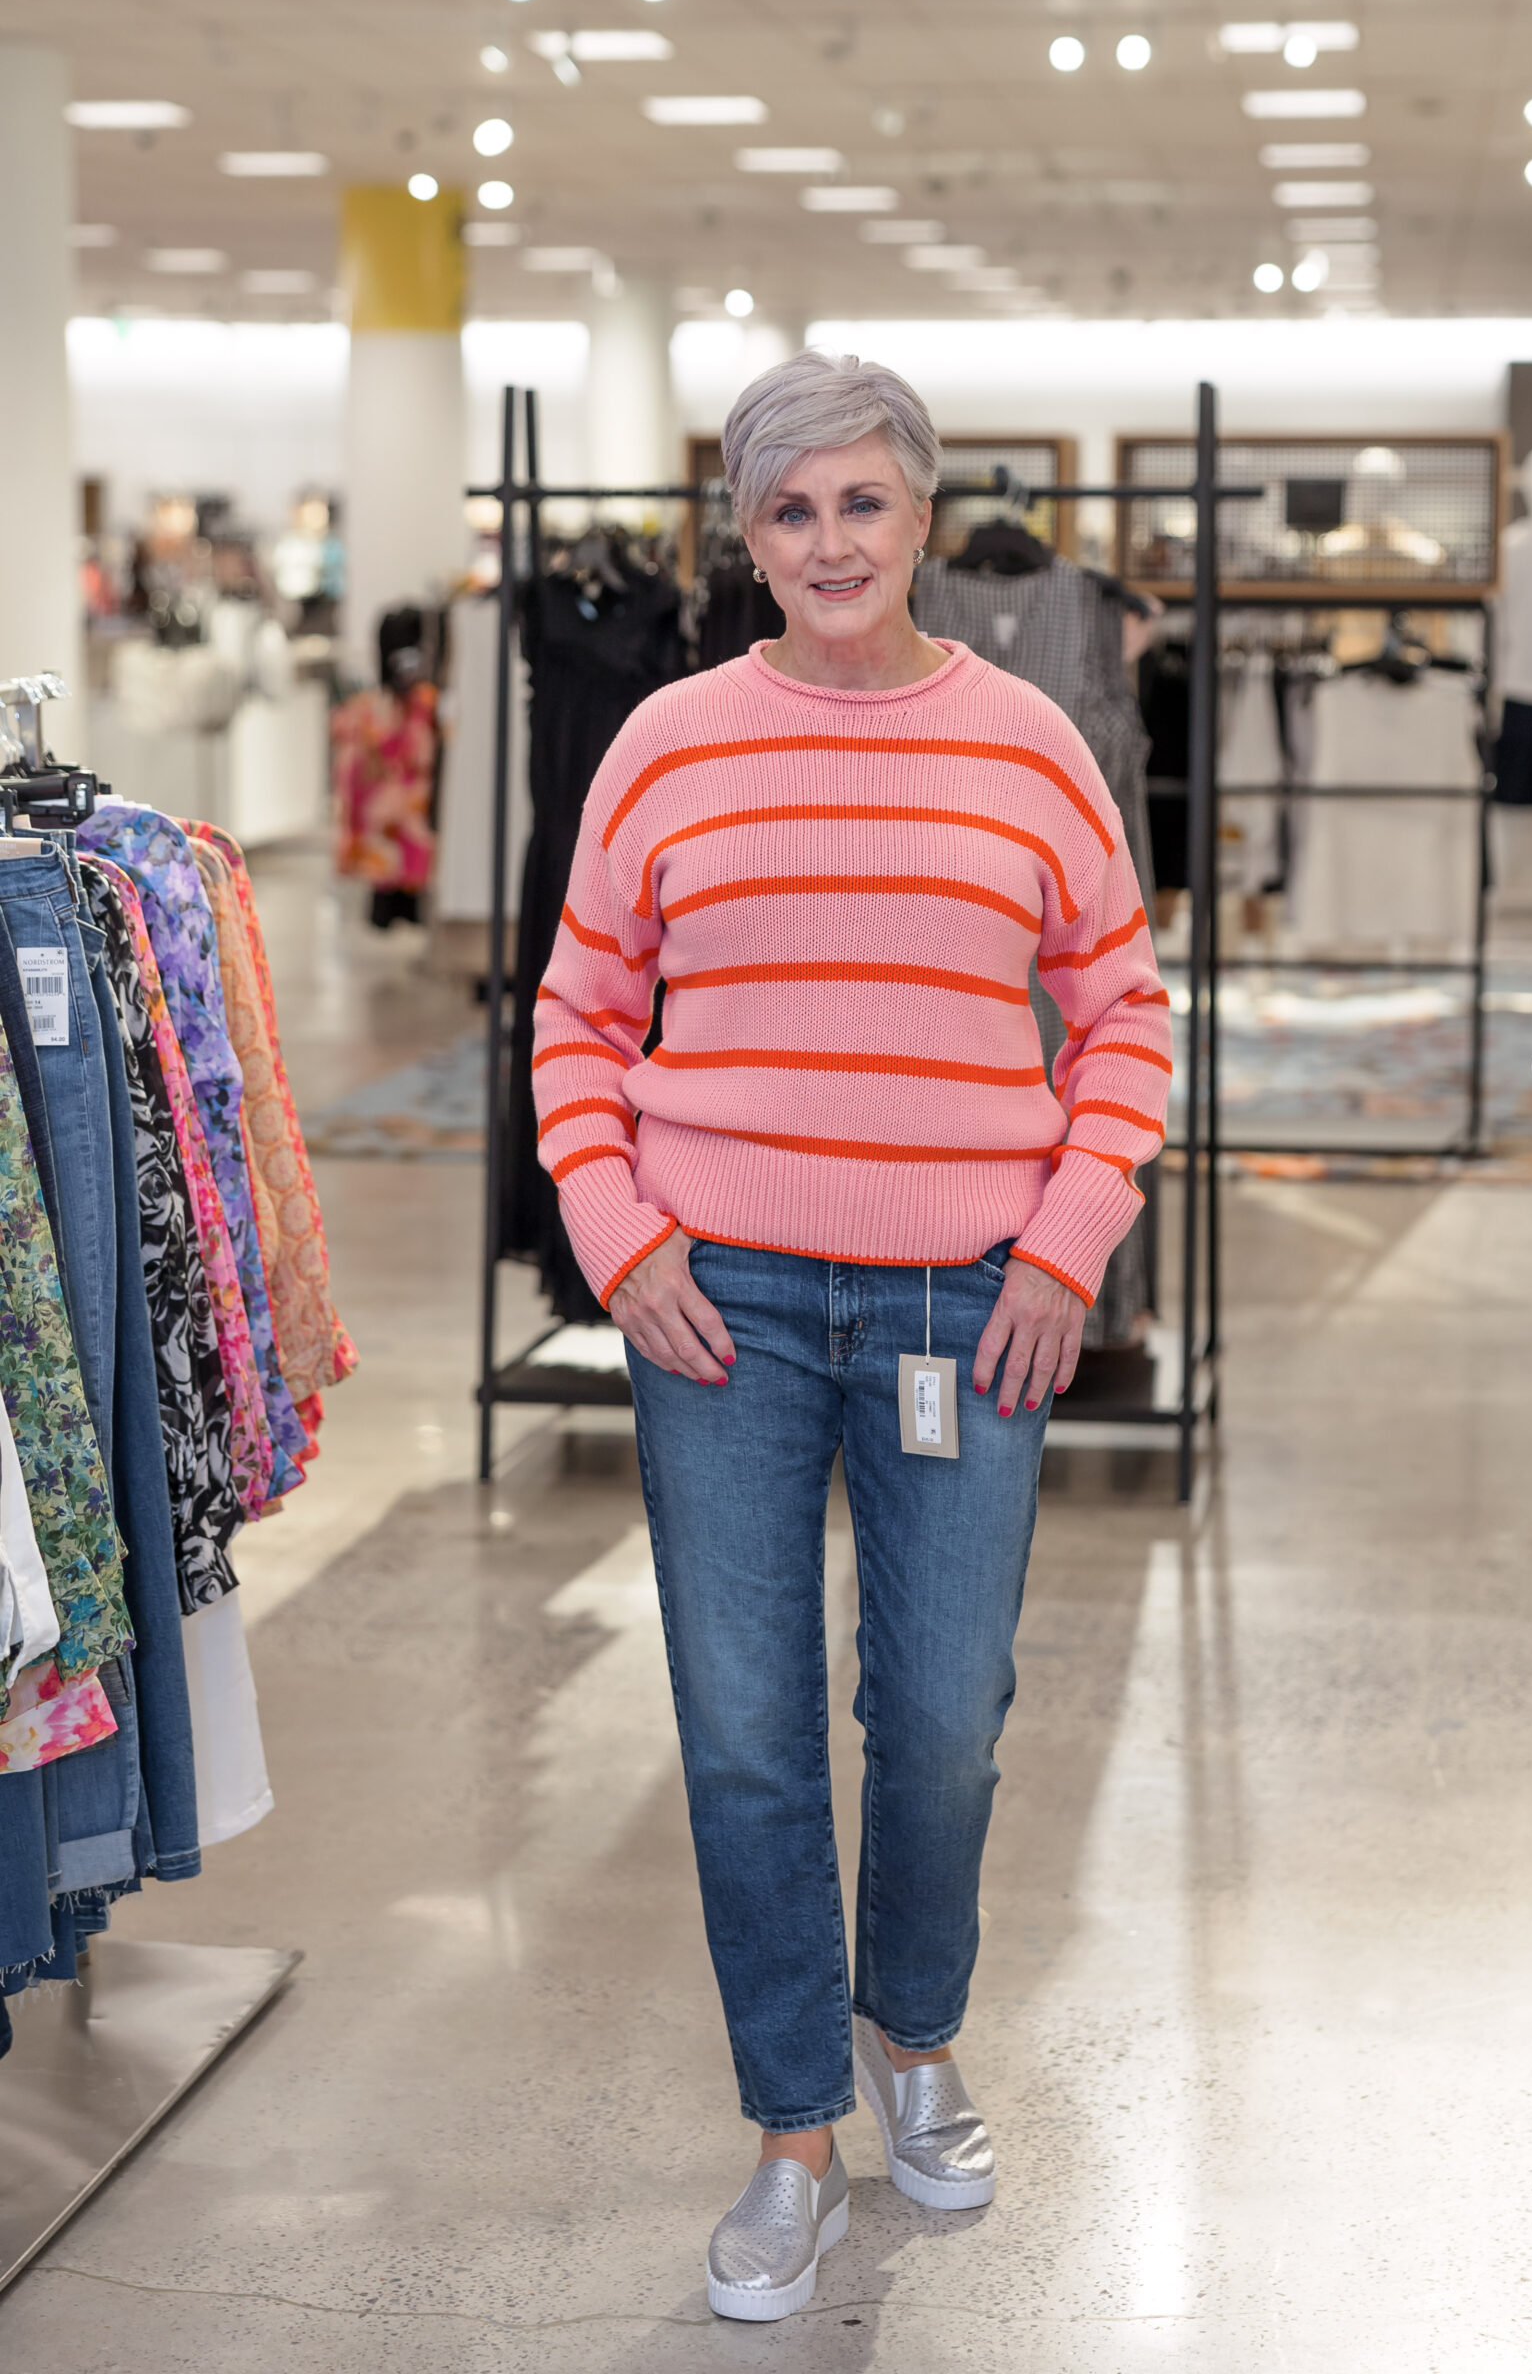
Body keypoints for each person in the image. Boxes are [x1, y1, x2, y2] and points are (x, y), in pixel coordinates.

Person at [533, 350, 1171, 2320]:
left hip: (964, 1304)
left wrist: (1067, 1245)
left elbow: (1125, 1018)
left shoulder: (1028, 742)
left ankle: (915, 2028)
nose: (830, 542)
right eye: (789, 508)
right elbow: (574, 1015)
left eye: (863, 504)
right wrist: (614, 1225)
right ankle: (794, 2127)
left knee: (948, 1717)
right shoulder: (663, 741)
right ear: (742, 536)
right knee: (741, 1737)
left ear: (920, 517)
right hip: (715, 1302)